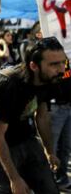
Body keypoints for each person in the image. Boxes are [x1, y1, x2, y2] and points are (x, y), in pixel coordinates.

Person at [0, 36, 66, 194]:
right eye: (53, 64)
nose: (61, 69)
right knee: (6, 190)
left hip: (26, 137)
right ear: (34, 66)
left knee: (49, 189)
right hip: (2, 142)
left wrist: (49, 151)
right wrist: (14, 178)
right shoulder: (8, 84)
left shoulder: (49, 79)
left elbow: (42, 116)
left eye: (62, 63)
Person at [49, 59, 71, 191]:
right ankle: (47, 181)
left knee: (66, 147)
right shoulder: (55, 55)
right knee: (51, 148)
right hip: (55, 106)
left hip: (68, 107)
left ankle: (62, 179)